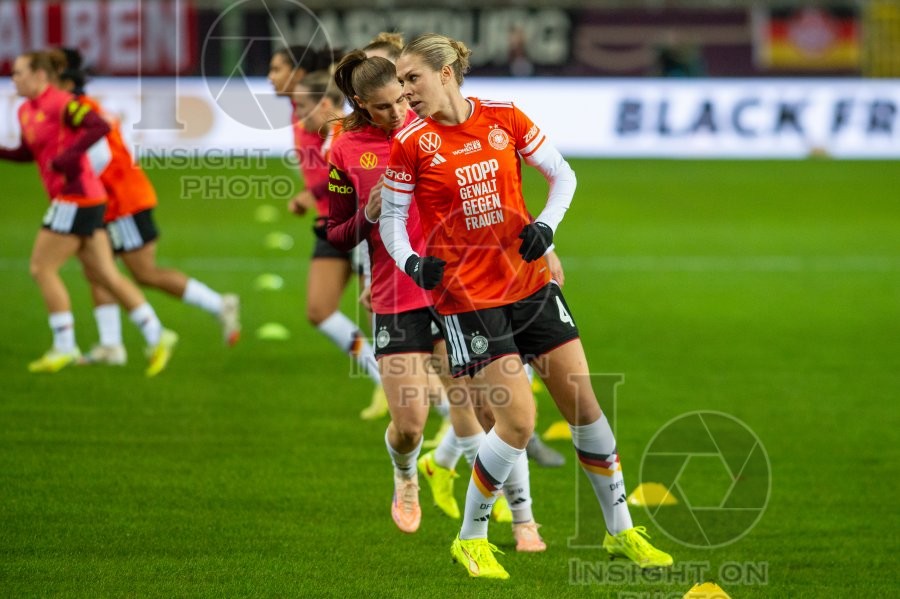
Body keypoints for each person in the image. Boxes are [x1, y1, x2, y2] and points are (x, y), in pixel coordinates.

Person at [380, 33, 673, 579]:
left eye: (412, 78)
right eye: (400, 81)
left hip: (533, 285)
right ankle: (471, 539)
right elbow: (393, 221)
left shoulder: (504, 117)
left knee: (585, 407)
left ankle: (621, 532)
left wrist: (546, 225)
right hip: (469, 300)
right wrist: (414, 265)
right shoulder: (410, 143)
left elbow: (563, 175)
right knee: (516, 421)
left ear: (446, 73)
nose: (405, 91)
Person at [326, 40, 546, 551]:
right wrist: (369, 215)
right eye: (384, 105)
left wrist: (537, 237)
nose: (399, 110)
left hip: (461, 290)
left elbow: (494, 186)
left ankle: (523, 520)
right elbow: (334, 232)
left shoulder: (435, 129)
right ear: (363, 105)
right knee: (408, 424)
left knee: (495, 410)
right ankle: (407, 473)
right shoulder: (343, 149)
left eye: (403, 98)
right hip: (396, 293)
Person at [53, 49, 240, 364]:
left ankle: (218, 305)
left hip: (119, 201)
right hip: (105, 200)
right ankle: (110, 345)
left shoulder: (81, 110)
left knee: (142, 273)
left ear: (64, 79)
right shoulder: (75, 109)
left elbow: (101, 159)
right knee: (96, 268)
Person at [0, 51, 177, 376]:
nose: (14, 79)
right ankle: (157, 334)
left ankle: (64, 347)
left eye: (20, 72)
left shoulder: (61, 102)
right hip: (85, 199)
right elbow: (30, 151)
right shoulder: (25, 110)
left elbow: (98, 126)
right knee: (103, 273)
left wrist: (71, 155)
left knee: (42, 268)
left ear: (41, 75)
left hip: (76, 196)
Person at [269, 46, 388, 420]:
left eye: (277, 68)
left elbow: (333, 170)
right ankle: (385, 378)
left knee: (384, 312)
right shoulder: (306, 110)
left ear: (298, 73)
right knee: (323, 310)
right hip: (332, 224)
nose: (271, 76)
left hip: (355, 225)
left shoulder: (330, 121)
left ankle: (441, 398)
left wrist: (311, 192)